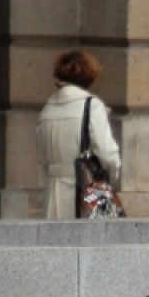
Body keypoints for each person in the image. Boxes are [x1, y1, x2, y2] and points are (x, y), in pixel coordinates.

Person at [36, 50, 121, 220]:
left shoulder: (47, 110)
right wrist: (112, 173)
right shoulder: (91, 106)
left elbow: (42, 158)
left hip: (52, 193)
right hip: (84, 195)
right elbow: (106, 152)